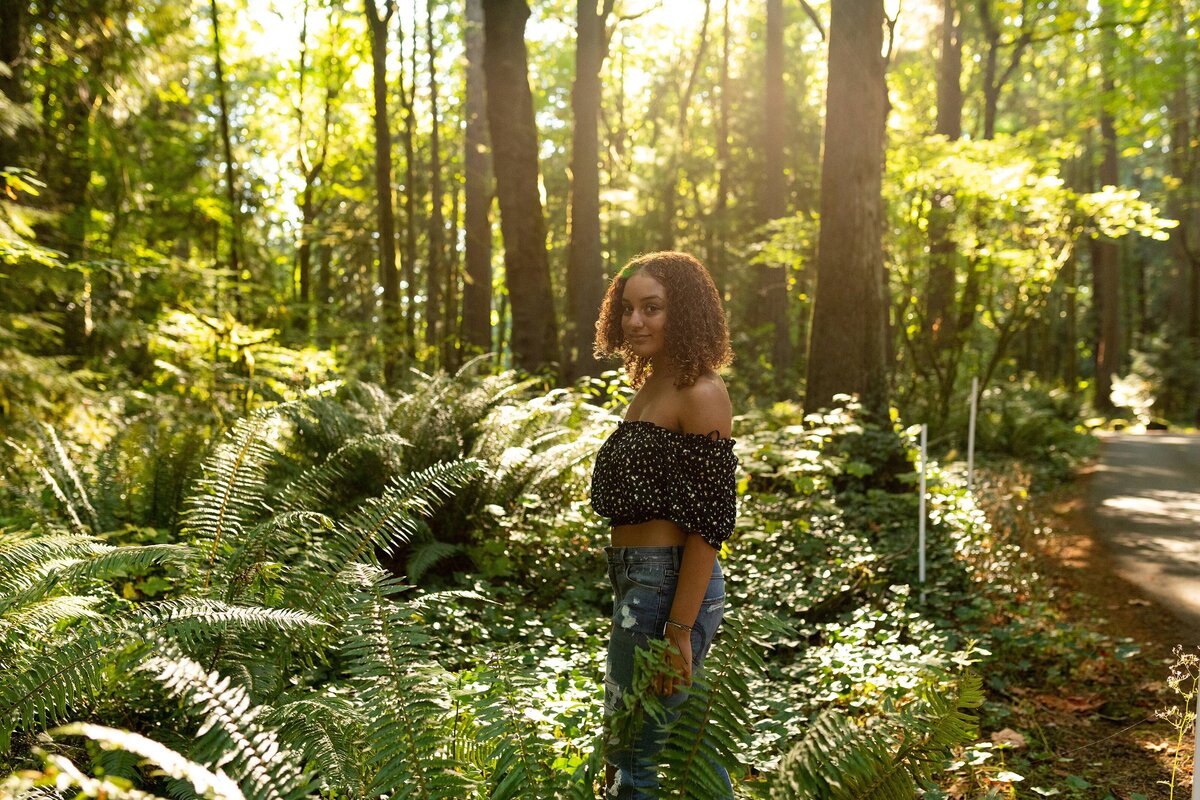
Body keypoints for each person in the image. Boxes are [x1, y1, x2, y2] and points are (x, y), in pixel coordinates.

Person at [590, 251, 738, 799]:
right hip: (637, 582)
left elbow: (708, 525)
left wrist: (678, 630)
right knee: (674, 744)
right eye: (627, 309)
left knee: (633, 755)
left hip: (669, 587)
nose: (635, 322)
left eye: (652, 308)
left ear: (687, 312)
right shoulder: (651, 386)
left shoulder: (701, 393)